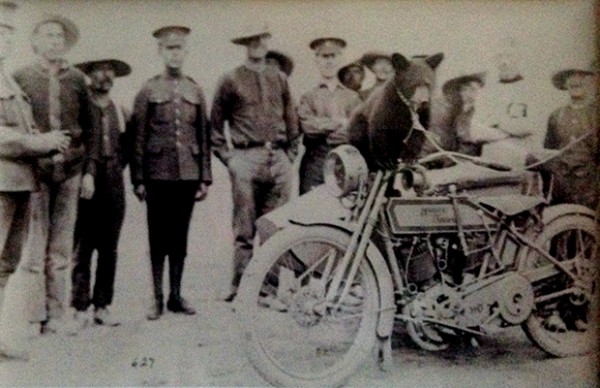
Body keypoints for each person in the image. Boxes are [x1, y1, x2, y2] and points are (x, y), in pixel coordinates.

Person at [13, 14, 95, 335]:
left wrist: (87, 172)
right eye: (47, 36)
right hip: (35, 173)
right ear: (35, 42)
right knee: (33, 251)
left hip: (71, 172)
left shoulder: (77, 79)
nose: (54, 41)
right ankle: (36, 318)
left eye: (59, 36)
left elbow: (90, 129)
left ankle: (58, 315)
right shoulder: (21, 77)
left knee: (61, 250)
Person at [0, 0, 71, 359]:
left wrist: (48, 147)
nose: (4, 41)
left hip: (17, 184)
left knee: (6, 263)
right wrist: (37, 143)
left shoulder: (7, 78)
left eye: (9, 34)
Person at [211, 24, 299, 302]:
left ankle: (268, 290)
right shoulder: (230, 79)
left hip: (279, 159)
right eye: (251, 39)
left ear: (267, 41)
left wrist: (289, 157)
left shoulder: (280, 78)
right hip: (246, 158)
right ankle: (241, 288)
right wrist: (232, 160)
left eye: (262, 38)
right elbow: (215, 129)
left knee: (274, 229)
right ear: (244, 43)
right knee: (245, 228)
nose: (257, 44)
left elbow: (292, 123)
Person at [131, 26, 211, 320]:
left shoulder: (195, 89)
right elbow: (138, 136)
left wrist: (204, 176)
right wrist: (138, 179)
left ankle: (176, 295)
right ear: (160, 52)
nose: (175, 54)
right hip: (157, 175)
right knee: (157, 237)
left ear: (186, 52)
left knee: (180, 237)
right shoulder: (149, 89)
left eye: (179, 49)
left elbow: (203, 134)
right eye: (169, 49)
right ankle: (157, 297)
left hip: (187, 174)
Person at [69, 59, 132, 332]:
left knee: (109, 248)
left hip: (113, 182)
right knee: (83, 246)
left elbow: (128, 148)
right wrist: (87, 173)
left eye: (109, 71)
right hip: (85, 181)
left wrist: (114, 171)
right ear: (88, 75)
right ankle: (79, 306)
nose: (104, 76)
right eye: (98, 70)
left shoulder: (121, 110)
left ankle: (103, 305)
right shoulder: (82, 109)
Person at [297, 37, 361, 194]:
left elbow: (357, 130)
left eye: (333, 56)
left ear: (340, 59)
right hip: (315, 163)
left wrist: (326, 129)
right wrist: (338, 122)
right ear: (316, 60)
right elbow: (308, 127)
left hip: (345, 163)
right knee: (310, 211)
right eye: (324, 57)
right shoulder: (308, 97)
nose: (329, 62)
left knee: (344, 210)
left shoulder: (352, 97)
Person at [544, 63, 598, 209]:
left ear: (589, 81)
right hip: (562, 186)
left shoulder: (596, 114)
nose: (575, 81)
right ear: (565, 83)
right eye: (570, 77)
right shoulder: (556, 116)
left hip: (590, 187)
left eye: (580, 76)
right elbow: (549, 152)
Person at [424, 70, 495, 157]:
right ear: (458, 89)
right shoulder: (442, 104)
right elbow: (434, 136)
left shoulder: (467, 108)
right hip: (430, 152)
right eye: (468, 89)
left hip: (448, 152)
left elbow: (463, 135)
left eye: (476, 90)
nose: (472, 95)